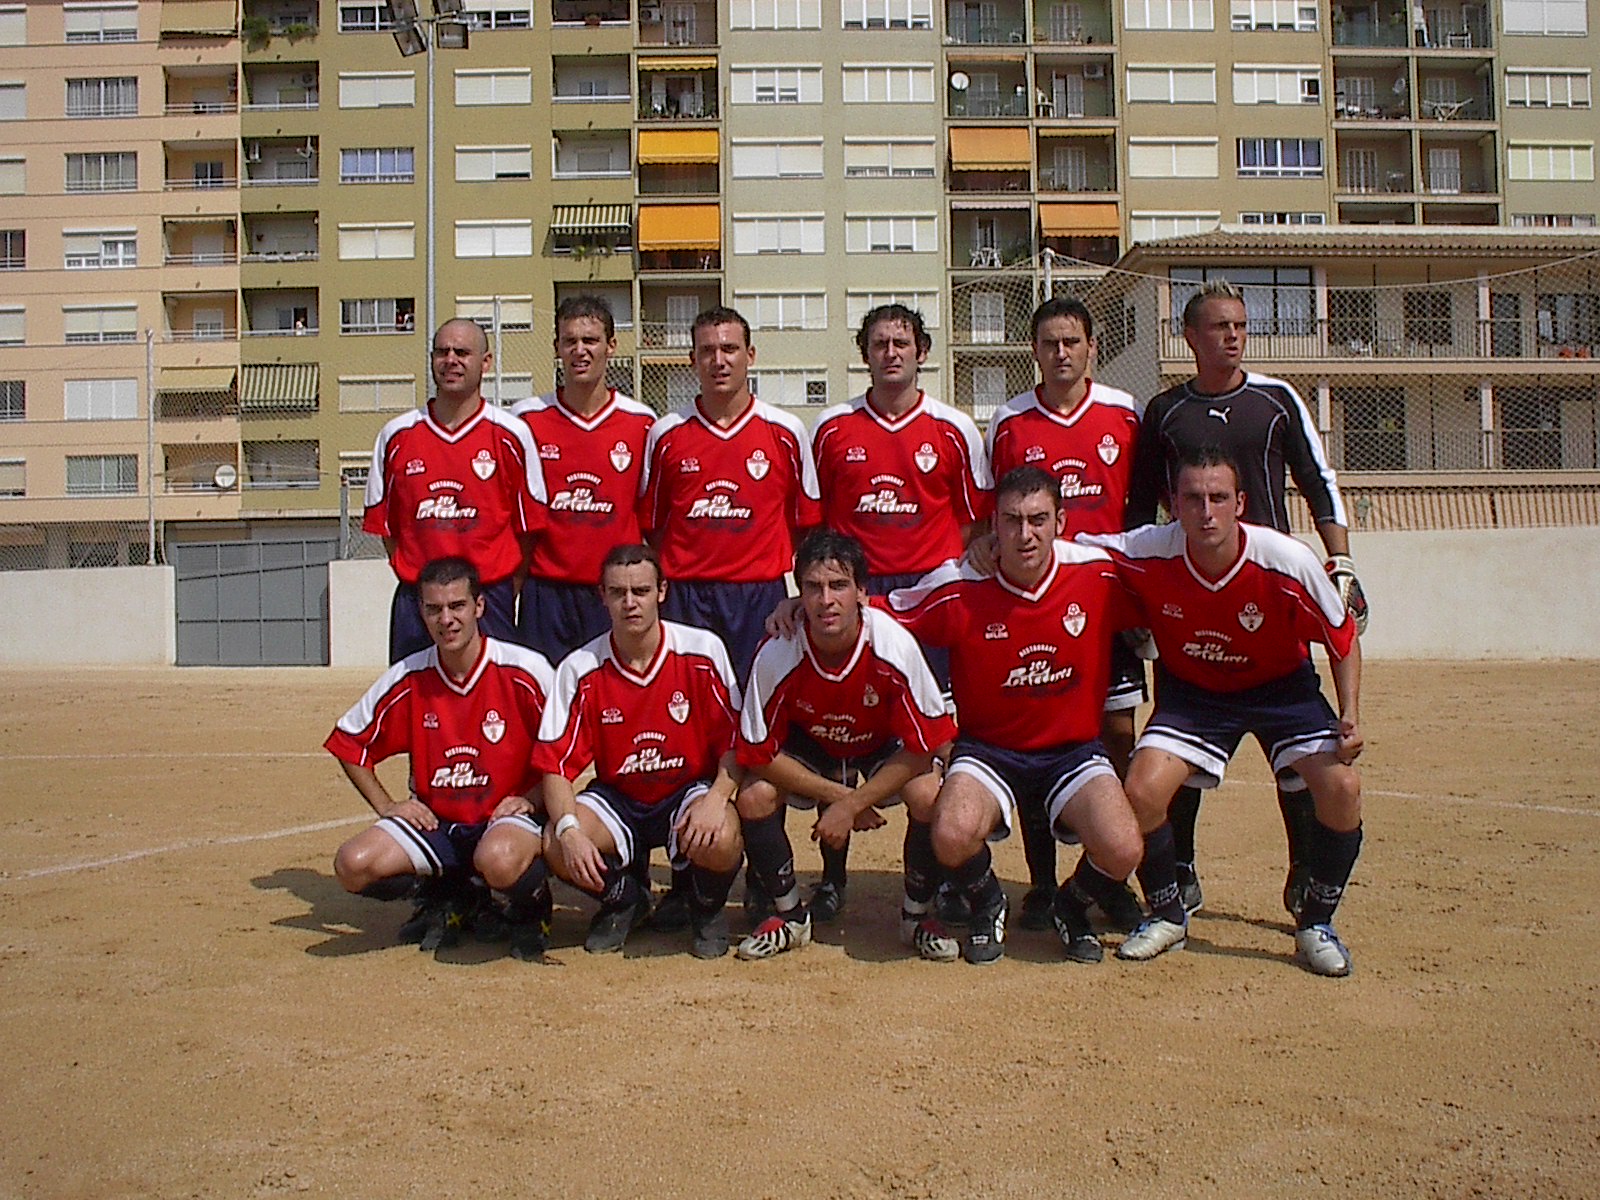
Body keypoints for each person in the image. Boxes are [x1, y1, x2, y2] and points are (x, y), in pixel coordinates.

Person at [1126, 278, 1368, 917]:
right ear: (1190, 337)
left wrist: (1339, 560)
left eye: (1239, 325)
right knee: (1178, 746)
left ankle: (1303, 869)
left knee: (1296, 758)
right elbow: (1140, 502)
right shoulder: (1166, 411)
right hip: (1190, 602)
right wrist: (1141, 597)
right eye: (1218, 326)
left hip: (1268, 598)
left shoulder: (1276, 399)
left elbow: (1318, 479)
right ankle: (1180, 869)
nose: (1232, 336)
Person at [1081, 446, 1365, 976]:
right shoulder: (1149, 549)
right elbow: (1077, 551)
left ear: (1240, 503)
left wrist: (1349, 713)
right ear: (1174, 506)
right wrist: (991, 546)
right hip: (1196, 694)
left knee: (1342, 788)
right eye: (1192, 499)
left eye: (1218, 498)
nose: (1206, 512)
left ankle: (1316, 923)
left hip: (1283, 691)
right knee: (1140, 789)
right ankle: (1167, 913)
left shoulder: (1287, 560)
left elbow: (1342, 638)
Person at [881, 466, 1145, 966]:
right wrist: (801, 609)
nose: (1026, 534)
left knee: (1124, 848)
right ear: (993, 526)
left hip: (1073, 751)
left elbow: (1170, 582)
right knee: (951, 833)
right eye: (1012, 520)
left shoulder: (1098, 572)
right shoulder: (959, 585)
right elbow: (885, 611)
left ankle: (1070, 905)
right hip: (988, 751)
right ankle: (988, 902)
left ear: (1060, 522)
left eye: (1038, 520)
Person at [807, 303, 990, 902]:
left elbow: (972, 523)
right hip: (852, 595)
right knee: (841, 732)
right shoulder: (832, 428)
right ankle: (831, 880)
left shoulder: (954, 428)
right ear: (864, 353)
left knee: (930, 740)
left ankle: (933, 882)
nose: (891, 352)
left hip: (929, 600)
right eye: (880, 343)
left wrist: (937, 578)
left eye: (902, 342)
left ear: (922, 352)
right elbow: (815, 522)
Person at [984, 295, 1145, 932]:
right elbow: (994, 511)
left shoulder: (1124, 413)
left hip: (1104, 598)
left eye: (1071, 341)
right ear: (1034, 351)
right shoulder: (1010, 422)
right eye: (1049, 343)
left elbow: (1145, 505)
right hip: (1035, 601)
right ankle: (1043, 884)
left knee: (1119, 732)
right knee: (1037, 731)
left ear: (1090, 348)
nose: (1060, 353)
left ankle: (1110, 878)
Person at [733, 529, 958, 959]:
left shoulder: (891, 644)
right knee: (754, 795)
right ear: (798, 594)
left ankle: (916, 916)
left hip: (879, 742)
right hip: (812, 743)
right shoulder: (779, 649)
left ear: (862, 593)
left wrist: (853, 804)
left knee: (928, 793)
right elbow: (758, 754)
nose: (826, 600)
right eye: (813, 587)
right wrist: (842, 798)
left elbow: (925, 745)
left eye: (838, 585)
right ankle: (790, 916)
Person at [325, 557, 556, 959]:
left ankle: (531, 907)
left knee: (498, 859)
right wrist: (388, 806)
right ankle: (451, 892)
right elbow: (349, 742)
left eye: (457, 606)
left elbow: (567, 748)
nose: (446, 620)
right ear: (421, 612)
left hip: (505, 821)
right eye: (434, 609)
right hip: (440, 823)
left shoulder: (525, 670)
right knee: (353, 865)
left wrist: (533, 798)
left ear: (479, 606)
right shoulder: (409, 676)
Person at [534, 543, 745, 958]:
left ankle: (704, 907)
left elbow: (736, 743)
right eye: (618, 592)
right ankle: (625, 899)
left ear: (662, 591)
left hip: (686, 789)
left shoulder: (702, 651)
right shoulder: (580, 667)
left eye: (641, 591)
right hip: (620, 796)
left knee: (721, 834)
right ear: (602, 596)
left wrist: (716, 799)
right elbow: (554, 765)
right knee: (555, 841)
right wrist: (570, 831)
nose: (630, 603)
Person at [638, 306, 822, 688]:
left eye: (729, 349)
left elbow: (804, 523)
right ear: (692, 359)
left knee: (759, 698)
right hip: (687, 595)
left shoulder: (786, 431)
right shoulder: (666, 434)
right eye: (707, 351)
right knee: (688, 699)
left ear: (749, 355)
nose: (718, 361)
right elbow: (653, 526)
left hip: (760, 595)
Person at [364, 318, 546, 663]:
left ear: (485, 362)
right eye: (442, 352)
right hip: (418, 601)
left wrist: (502, 586)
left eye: (462, 352)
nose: (451, 360)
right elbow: (388, 529)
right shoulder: (396, 435)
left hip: (489, 598)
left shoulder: (512, 435)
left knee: (493, 693)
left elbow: (527, 529)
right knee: (417, 694)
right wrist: (417, 577)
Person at [511, 296, 655, 662]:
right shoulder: (526, 420)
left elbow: (649, 514)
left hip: (613, 592)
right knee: (544, 689)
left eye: (590, 340)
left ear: (611, 346)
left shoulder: (642, 422)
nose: (580, 351)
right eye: (570, 341)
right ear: (556, 348)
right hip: (546, 592)